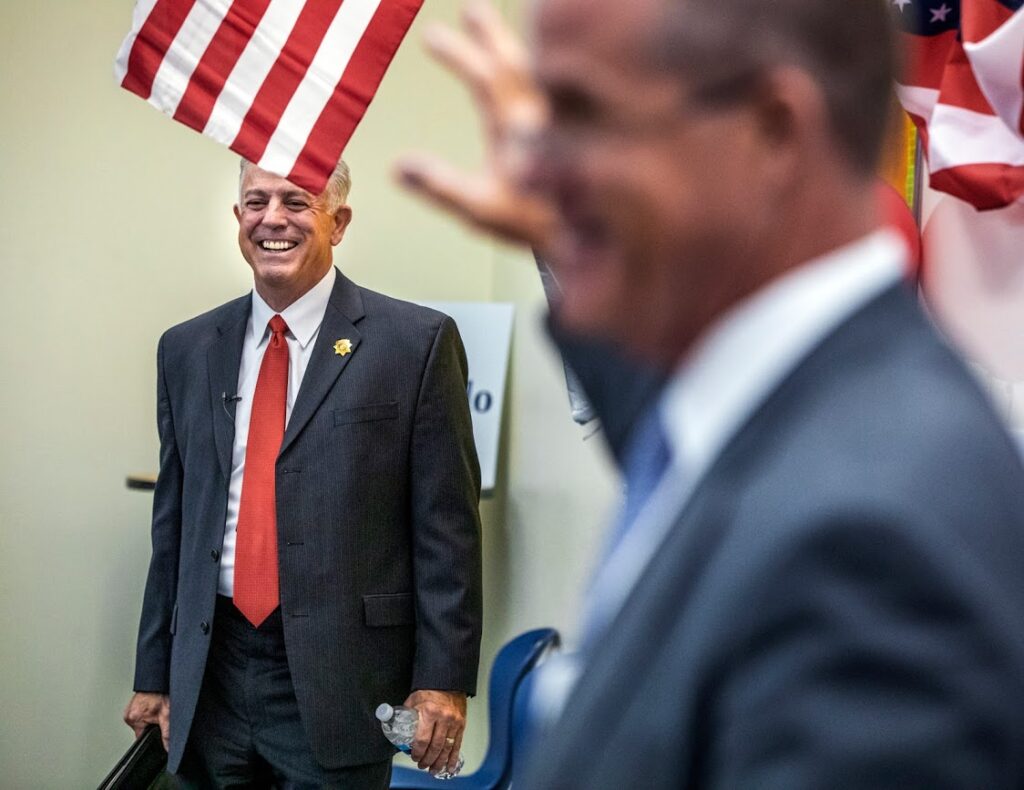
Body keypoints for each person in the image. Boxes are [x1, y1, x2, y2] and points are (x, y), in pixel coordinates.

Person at [398, 1, 1024, 786]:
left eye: (586, 117)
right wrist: (582, 234)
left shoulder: (874, 537)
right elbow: (688, 440)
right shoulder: (788, 415)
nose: (538, 170)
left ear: (770, 130)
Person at [123, 158, 483, 788]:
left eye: (297, 202)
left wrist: (442, 681)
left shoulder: (415, 342)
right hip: (214, 671)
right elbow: (173, 526)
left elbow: (446, 531)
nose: (273, 220)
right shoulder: (186, 349)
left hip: (342, 678)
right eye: (256, 202)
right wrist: (154, 674)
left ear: (338, 222)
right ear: (237, 219)